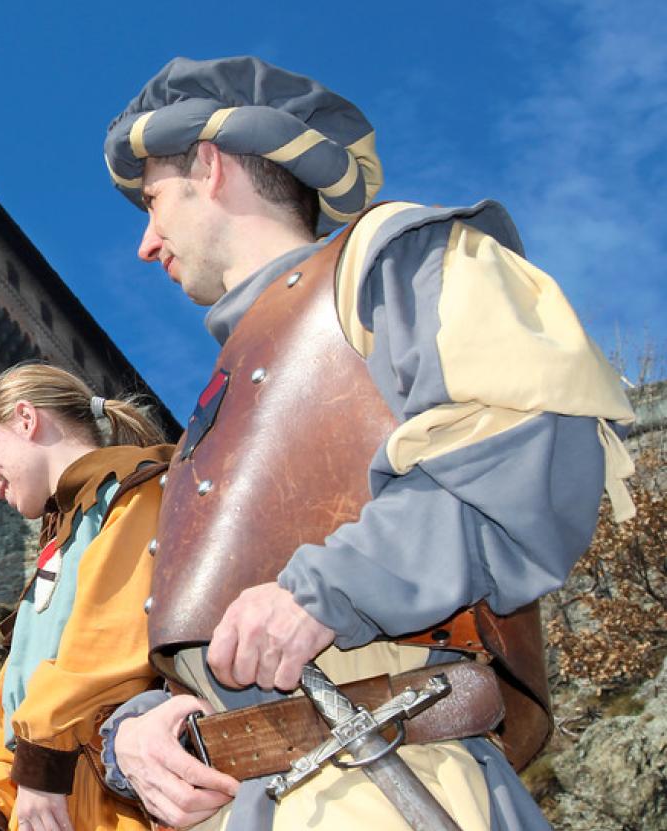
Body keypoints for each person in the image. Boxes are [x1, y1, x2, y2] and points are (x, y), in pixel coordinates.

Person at [94, 57, 638, 829]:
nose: (146, 245)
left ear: (208, 166)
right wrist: (150, 724)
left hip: (380, 777)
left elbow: (532, 446)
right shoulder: (211, 420)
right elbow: (219, 641)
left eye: (152, 202)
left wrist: (327, 590)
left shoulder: (393, 263)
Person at [0, 364, 172, 831]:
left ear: (26, 419)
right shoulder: (62, 543)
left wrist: (40, 763)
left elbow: (108, 644)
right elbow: (12, 703)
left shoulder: (133, 491)